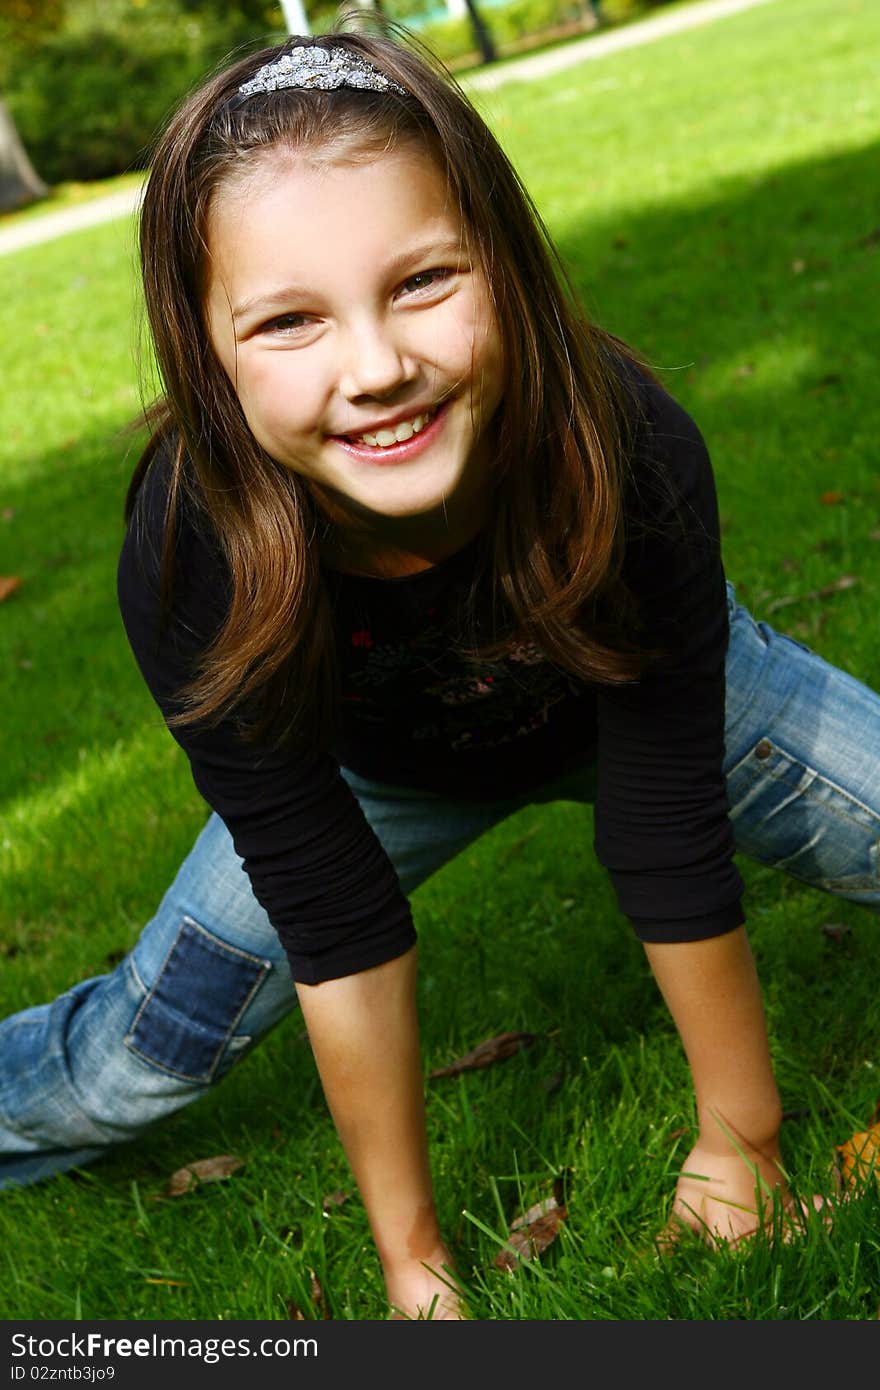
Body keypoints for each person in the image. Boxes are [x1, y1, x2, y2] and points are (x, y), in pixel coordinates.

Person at [1, 32, 878, 1320]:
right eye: (289, 320)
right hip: (375, 769)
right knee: (132, 1059)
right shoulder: (191, 551)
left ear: (506, 268)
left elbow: (665, 824)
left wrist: (740, 1139)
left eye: (420, 283)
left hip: (634, 689)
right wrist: (416, 1272)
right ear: (205, 350)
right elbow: (326, 905)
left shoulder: (617, 440)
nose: (374, 370)